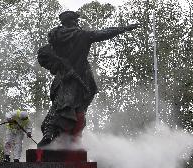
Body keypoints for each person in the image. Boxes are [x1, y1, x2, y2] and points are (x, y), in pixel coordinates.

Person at [37, 11, 139, 147]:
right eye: (75, 20)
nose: (77, 23)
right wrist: (123, 29)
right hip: (79, 79)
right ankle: (57, 137)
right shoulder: (81, 35)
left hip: (63, 79)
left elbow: (45, 54)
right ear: (72, 21)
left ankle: (54, 136)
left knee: (61, 106)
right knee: (68, 108)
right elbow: (103, 33)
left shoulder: (55, 38)